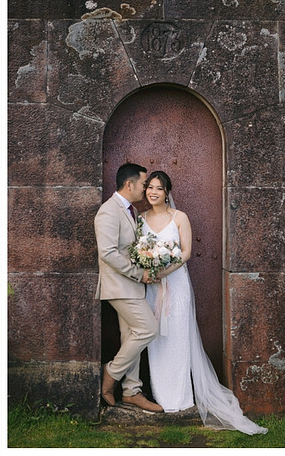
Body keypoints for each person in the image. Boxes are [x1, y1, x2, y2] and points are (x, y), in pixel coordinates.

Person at [141, 171, 267, 434]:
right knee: (156, 337)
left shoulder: (179, 218)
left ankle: (181, 398)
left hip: (175, 283)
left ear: (167, 192)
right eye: (150, 187)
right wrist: (149, 270)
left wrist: (163, 270)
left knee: (176, 336)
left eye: (159, 188)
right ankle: (161, 396)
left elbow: (185, 252)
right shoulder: (141, 219)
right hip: (152, 287)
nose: (153, 192)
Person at [95, 162, 163, 413]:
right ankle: (111, 373)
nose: (145, 189)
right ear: (129, 184)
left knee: (131, 336)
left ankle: (132, 391)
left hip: (132, 286)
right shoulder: (109, 211)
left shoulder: (131, 211)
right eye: (144, 184)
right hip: (119, 286)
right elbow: (108, 253)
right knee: (148, 329)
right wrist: (139, 273)